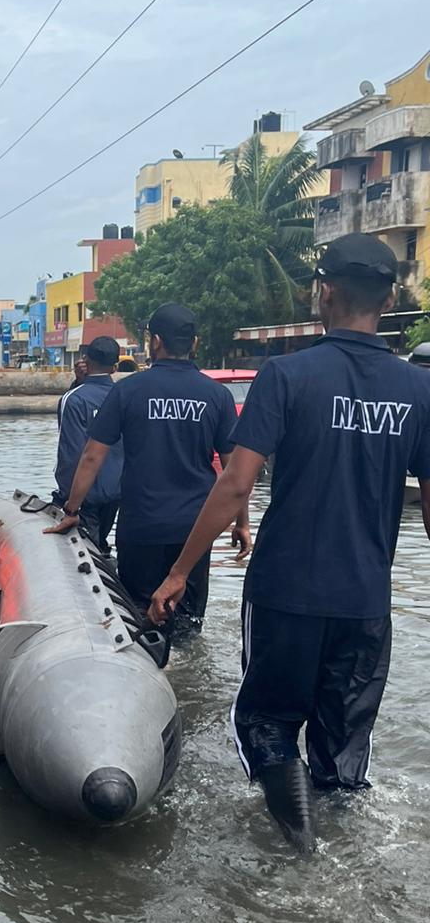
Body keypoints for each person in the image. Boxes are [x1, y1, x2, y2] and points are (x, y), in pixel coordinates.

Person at [148, 235, 430, 855]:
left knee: (266, 726)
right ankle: (344, 854)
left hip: (285, 594)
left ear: (324, 293)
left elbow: (233, 485)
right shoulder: (418, 389)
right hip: (365, 602)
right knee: (344, 744)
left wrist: (177, 573)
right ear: (387, 299)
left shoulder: (287, 375)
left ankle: (299, 850)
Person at [47, 303, 250, 638]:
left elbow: (92, 457)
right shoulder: (216, 395)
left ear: (155, 341)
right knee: (187, 627)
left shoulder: (128, 390)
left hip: (141, 526)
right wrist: (242, 522)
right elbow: (235, 472)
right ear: (195, 343)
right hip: (195, 530)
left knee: (141, 622)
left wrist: (72, 509)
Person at [53, 336, 124, 551]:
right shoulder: (123, 395)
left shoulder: (75, 399)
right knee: (100, 545)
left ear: (85, 360)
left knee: (83, 551)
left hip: (84, 496)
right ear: (115, 367)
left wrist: (69, 502)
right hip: (117, 492)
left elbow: (71, 454)